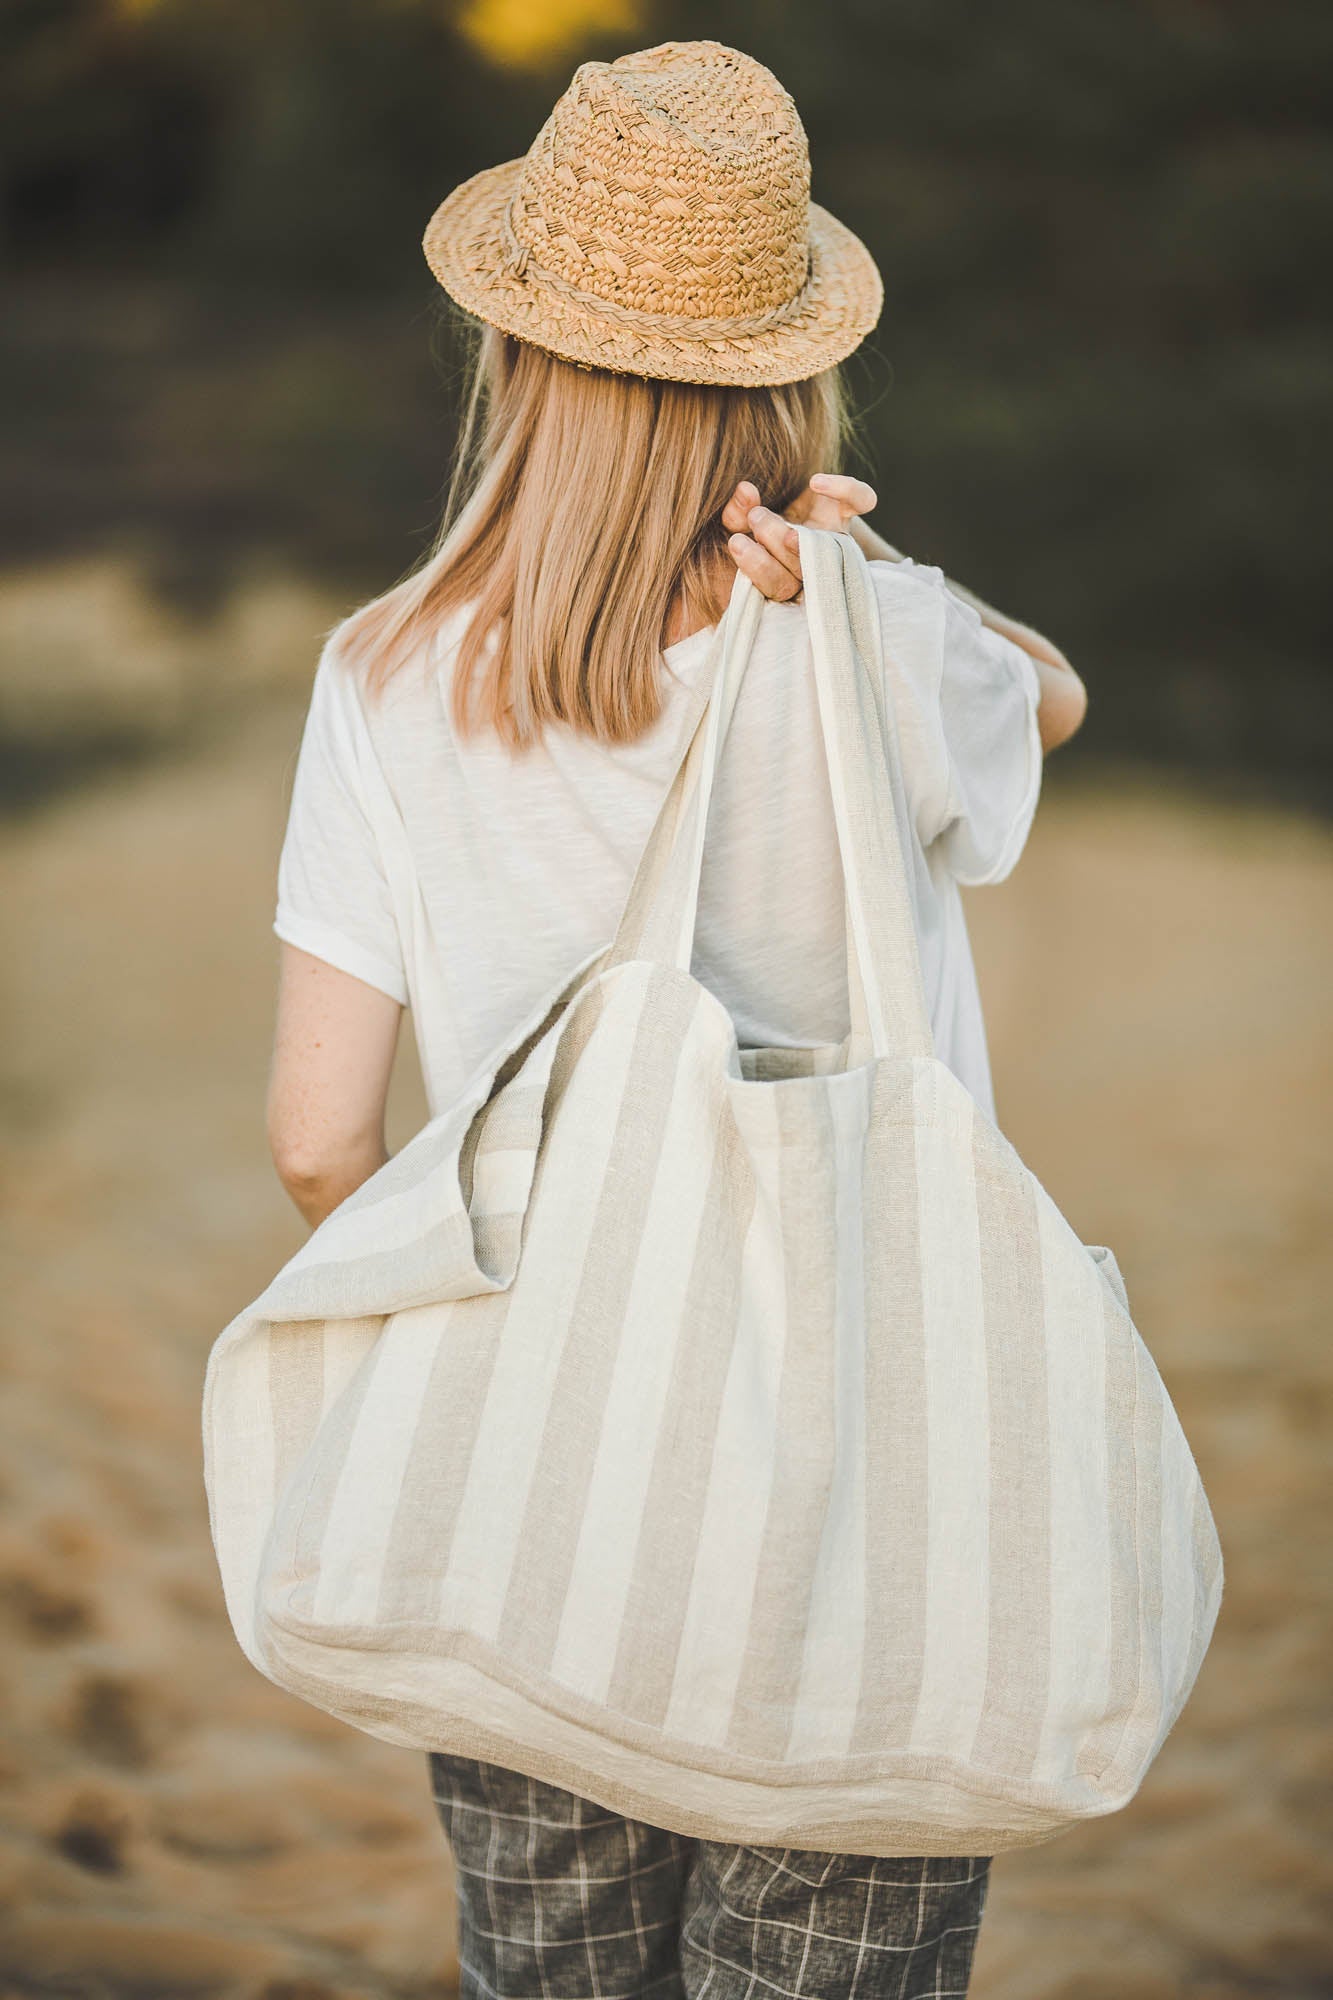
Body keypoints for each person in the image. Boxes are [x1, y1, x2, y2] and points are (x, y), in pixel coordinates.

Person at [263, 39, 1087, 2000]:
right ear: (783, 367)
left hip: (537, 1489)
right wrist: (864, 573)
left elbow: (316, 1136)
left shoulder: (379, 677)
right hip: (870, 1494)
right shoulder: (869, 642)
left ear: (520, 352)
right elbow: (1050, 699)